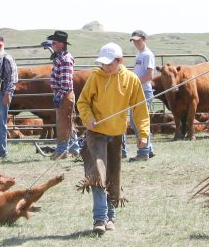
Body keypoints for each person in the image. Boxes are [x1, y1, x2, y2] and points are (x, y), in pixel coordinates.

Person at [76, 42, 150, 235]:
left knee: (112, 177)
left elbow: (140, 109)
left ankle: (111, 217)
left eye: (110, 63)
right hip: (96, 134)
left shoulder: (131, 80)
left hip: (116, 135)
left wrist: (143, 134)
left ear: (120, 60)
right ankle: (99, 219)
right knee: (97, 175)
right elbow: (83, 102)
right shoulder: (95, 78)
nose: (106, 67)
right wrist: (88, 118)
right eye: (103, 63)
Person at [46, 30, 80, 158]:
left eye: (54, 42)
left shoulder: (65, 59)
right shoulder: (61, 57)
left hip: (64, 95)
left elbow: (66, 83)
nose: (52, 45)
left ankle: (61, 151)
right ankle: (75, 149)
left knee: (63, 123)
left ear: (61, 44)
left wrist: (59, 96)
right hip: (64, 94)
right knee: (68, 122)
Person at [127, 30, 156, 161]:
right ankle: (148, 149)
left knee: (139, 121)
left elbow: (150, 76)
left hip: (143, 91)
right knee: (137, 121)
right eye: (134, 41)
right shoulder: (140, 55)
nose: (136, 43)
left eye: (138, 40)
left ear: (144, 39)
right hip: (140, 90)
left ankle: (143, 152)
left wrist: (134, 83)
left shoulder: (147, 55)